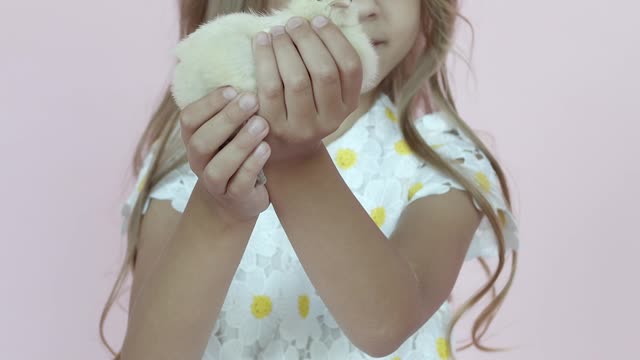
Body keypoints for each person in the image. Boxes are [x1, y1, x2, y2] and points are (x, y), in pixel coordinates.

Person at [101, 0, 520, 359]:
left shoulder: (443, 159)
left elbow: (385, 324)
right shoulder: (194, 152)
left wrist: (296, 158)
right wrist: (219, 209)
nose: (364, 6)